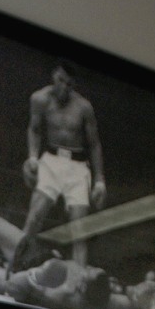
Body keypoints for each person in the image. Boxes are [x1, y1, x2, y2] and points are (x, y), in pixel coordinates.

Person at [16, 61, 106, 270]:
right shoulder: (39, 99)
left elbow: (94, 145)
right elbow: (34, 129)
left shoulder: (84, 107)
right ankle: (14, 268)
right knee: (35, 216)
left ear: (74, 84)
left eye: (69, 84)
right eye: (61, 81)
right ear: (54, 77)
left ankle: (78, 281)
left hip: (77, 166)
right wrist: (32, 156)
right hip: (51, 160)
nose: (64, 87)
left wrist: (100, 180)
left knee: (79, 229)